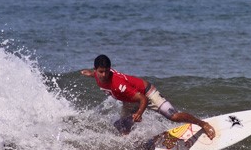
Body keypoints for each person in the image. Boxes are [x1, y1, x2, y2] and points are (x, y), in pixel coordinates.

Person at [80, 54, 215, 139]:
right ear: (95, 70)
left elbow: (142, 99)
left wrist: (139, 113)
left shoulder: (118, 84)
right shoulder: (96, 75)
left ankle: (203, 123)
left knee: (173, 116)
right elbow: (96, 75)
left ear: (110, 69)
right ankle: (138, 148)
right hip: (129, 100)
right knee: (122, 127)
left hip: (147, 93)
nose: (103, 75)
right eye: (100, 72)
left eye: (106, 71)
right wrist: (88, 73)